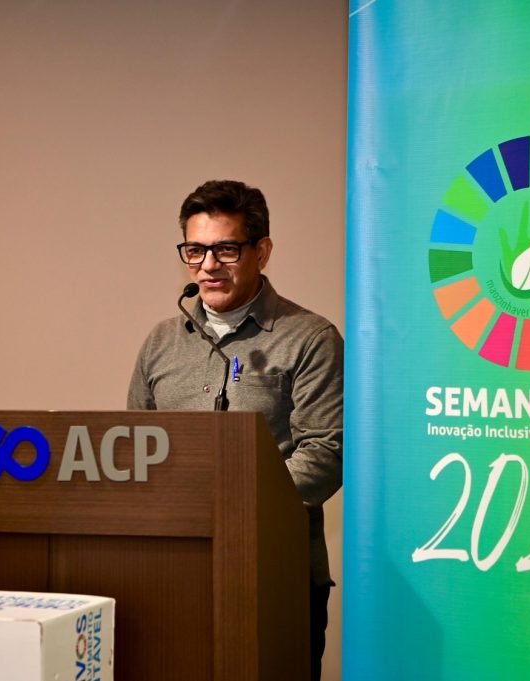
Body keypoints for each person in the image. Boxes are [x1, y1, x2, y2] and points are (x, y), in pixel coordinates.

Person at [127, 179, 343, 680]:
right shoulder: (160, 342)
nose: (208, 265)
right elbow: (135, 448)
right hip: (172, 572)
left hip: (274, 573)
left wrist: (228, 504)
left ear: (261, 252)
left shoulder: (309, 337)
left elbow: (326, 452)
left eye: (226, 249)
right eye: (195, 250)